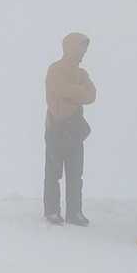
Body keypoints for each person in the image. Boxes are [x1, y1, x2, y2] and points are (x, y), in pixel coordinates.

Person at [43, 33, 96, 226]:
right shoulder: (55, 69)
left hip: (74, 128)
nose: (84, 52)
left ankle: (74, 213)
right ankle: (52, 211)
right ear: (71, 47)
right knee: (53, 172)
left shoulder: (82, 73)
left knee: (75, 173)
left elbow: (92, 95)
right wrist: (78, 92)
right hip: (56, 127)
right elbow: (61, 90)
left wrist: (72, 93)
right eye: (82, 48)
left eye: (85, 49)